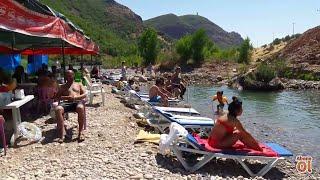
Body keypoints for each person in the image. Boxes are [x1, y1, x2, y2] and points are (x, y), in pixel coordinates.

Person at [54, 70, 87, 143]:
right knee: (58, 109)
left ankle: (80, 132)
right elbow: (57, 97)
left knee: (80, 108)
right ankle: (62, 133)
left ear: (73, 75)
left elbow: (85, 94)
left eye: (70, 75)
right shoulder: (62, 86)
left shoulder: (78, 84)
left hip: (77, 102)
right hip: (66, 103)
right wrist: (66, 98)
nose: (69, 77)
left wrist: (76, 98)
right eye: (67, 75)